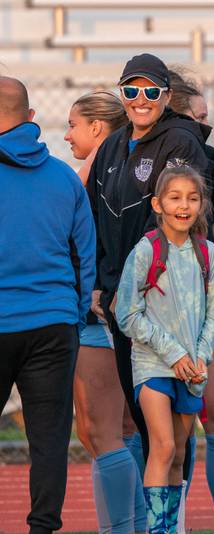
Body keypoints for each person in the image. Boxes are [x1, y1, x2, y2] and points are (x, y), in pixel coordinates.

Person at [87, 53, 210, 469]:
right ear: (122, 94)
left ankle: (171, 519)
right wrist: (98, 284)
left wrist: (143, 284)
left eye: (151, 91)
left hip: (167, 301)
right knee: (143, 418)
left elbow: (183, 219)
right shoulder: (110, 147)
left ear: (166, 96)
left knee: (173, 426)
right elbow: (94, 221)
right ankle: (157, 516)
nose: (141, 99)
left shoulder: (180, 142)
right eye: (132, 90)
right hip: (122, 306)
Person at [0, 76, 95, 534]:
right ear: (32, 118)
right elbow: (85, 256)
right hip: (54, 322)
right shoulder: (63, 177)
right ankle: (42, 528)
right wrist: (72, 317)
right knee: (49, 439)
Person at [116, 165, 214, 534]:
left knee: (179, 454)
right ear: (158, 204)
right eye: (175, 198)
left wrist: (198, 357)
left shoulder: (208, 254)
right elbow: (127, 315)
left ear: (202, 205)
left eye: (192, 198)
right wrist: (174, 354)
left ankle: (173, 526)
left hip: (192, 372)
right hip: (153, 366)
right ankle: (156, 529)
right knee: (161, 447)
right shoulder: (146, 250)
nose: (184, 206)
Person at [65, 90, 147, 534]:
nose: (67, 135)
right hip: (132, 310)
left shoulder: (89, 175)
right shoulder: (131, 167)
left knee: (101, 434)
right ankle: (143, 526)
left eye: (73, 125)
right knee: (125, 428)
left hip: (99, 310)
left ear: (97, 128)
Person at [167, 69, 214, 534]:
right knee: (163, 425)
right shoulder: (133, 153)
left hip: (205, 308)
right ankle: (164, 522)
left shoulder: (210, 161)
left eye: (207, 120)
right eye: (197, 120)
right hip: (154, 314)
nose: (203, 130)